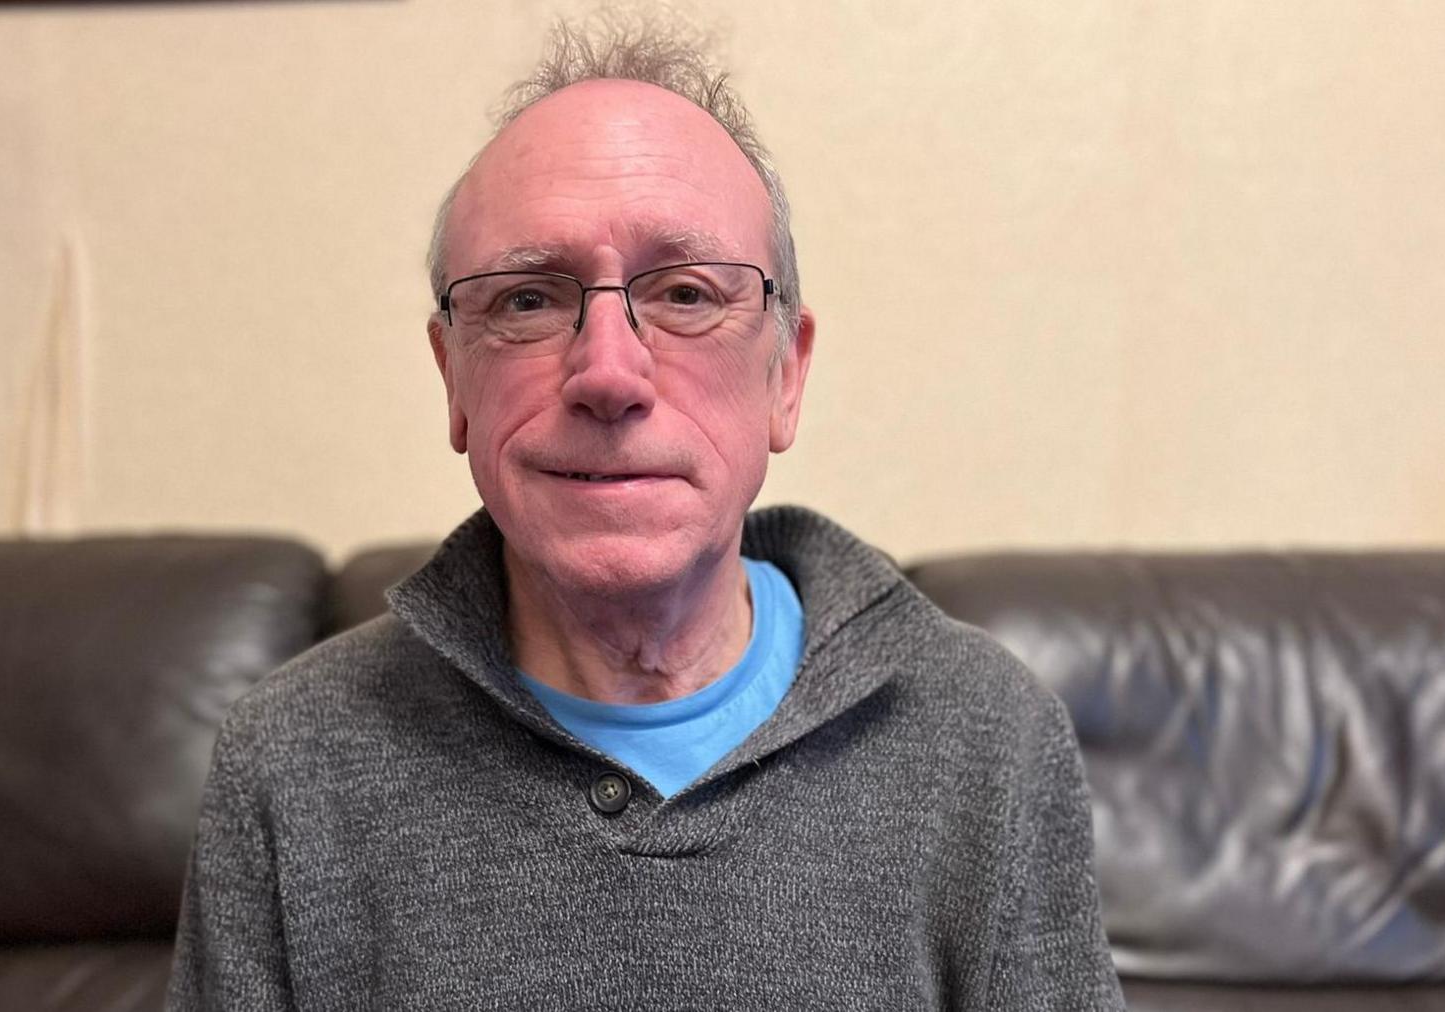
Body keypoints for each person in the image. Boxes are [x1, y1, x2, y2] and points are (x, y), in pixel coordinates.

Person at [168, 13, 1122, 1010]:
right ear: (454, 379)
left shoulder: (989, 738)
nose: (609, 373)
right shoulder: (286, 761)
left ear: (784, 374)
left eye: (684, 293)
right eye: (529, 300)